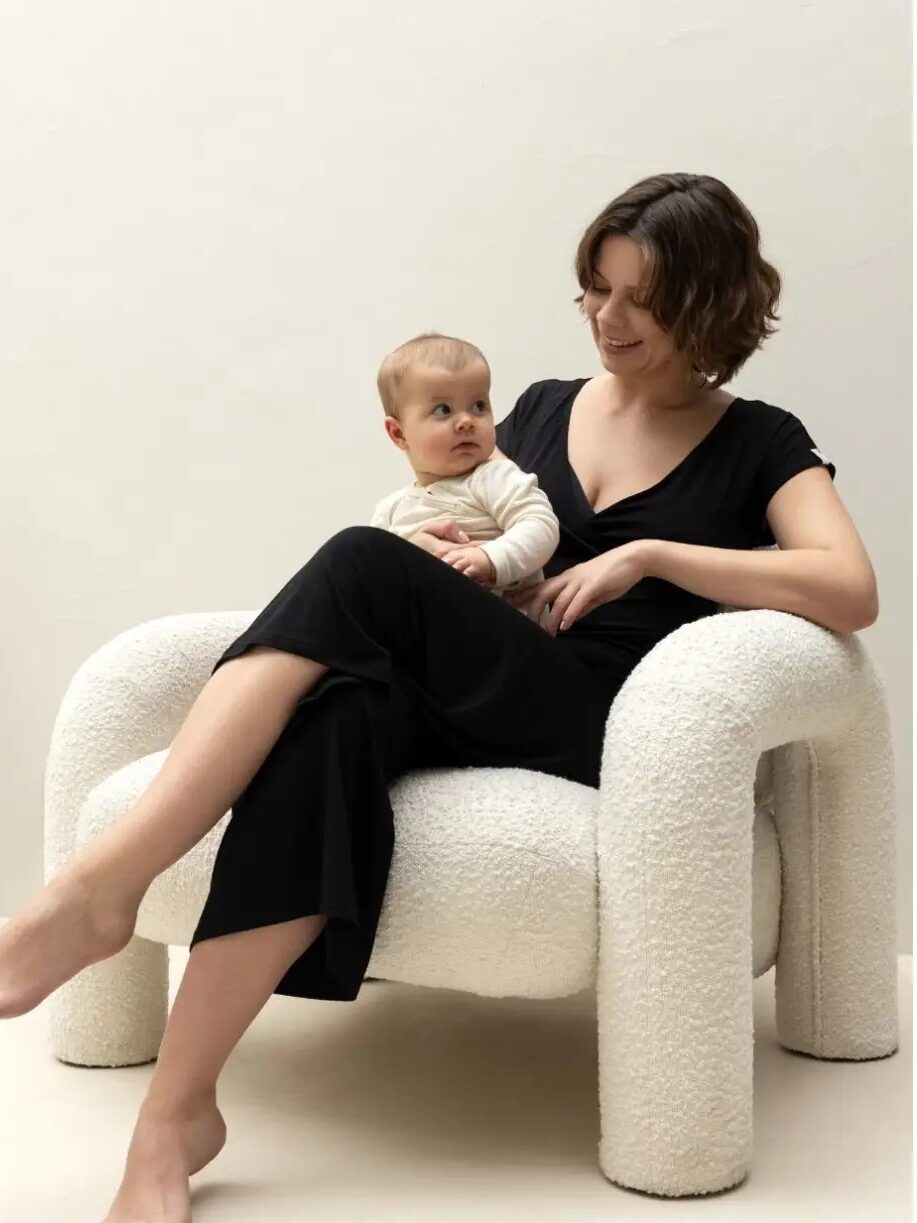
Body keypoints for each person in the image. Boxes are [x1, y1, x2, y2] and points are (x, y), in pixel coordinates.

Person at [0, 172, 879, 1221]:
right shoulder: (545, 409)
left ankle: (100, 889)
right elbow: (472, 524)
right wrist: (444, 556)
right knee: (327, 720)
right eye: (591, 289)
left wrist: (648, 554)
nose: (605, 317)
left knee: (358, 562)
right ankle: (173, 1118)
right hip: (480, 676)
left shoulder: (758, 440)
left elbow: (847, 585)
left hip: (607, 718)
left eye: (635, 297)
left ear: (709, 300)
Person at [370, 331, 560, 599]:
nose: (466, 421)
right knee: (355, 552)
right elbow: (375, 580)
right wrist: (408, 555)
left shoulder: (494, 477)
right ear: (399, 434)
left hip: (495, 625)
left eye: (478, 405)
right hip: (422, 631)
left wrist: (489, 559)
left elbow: (540, 525)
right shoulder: (390, 510)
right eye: (443, 410)